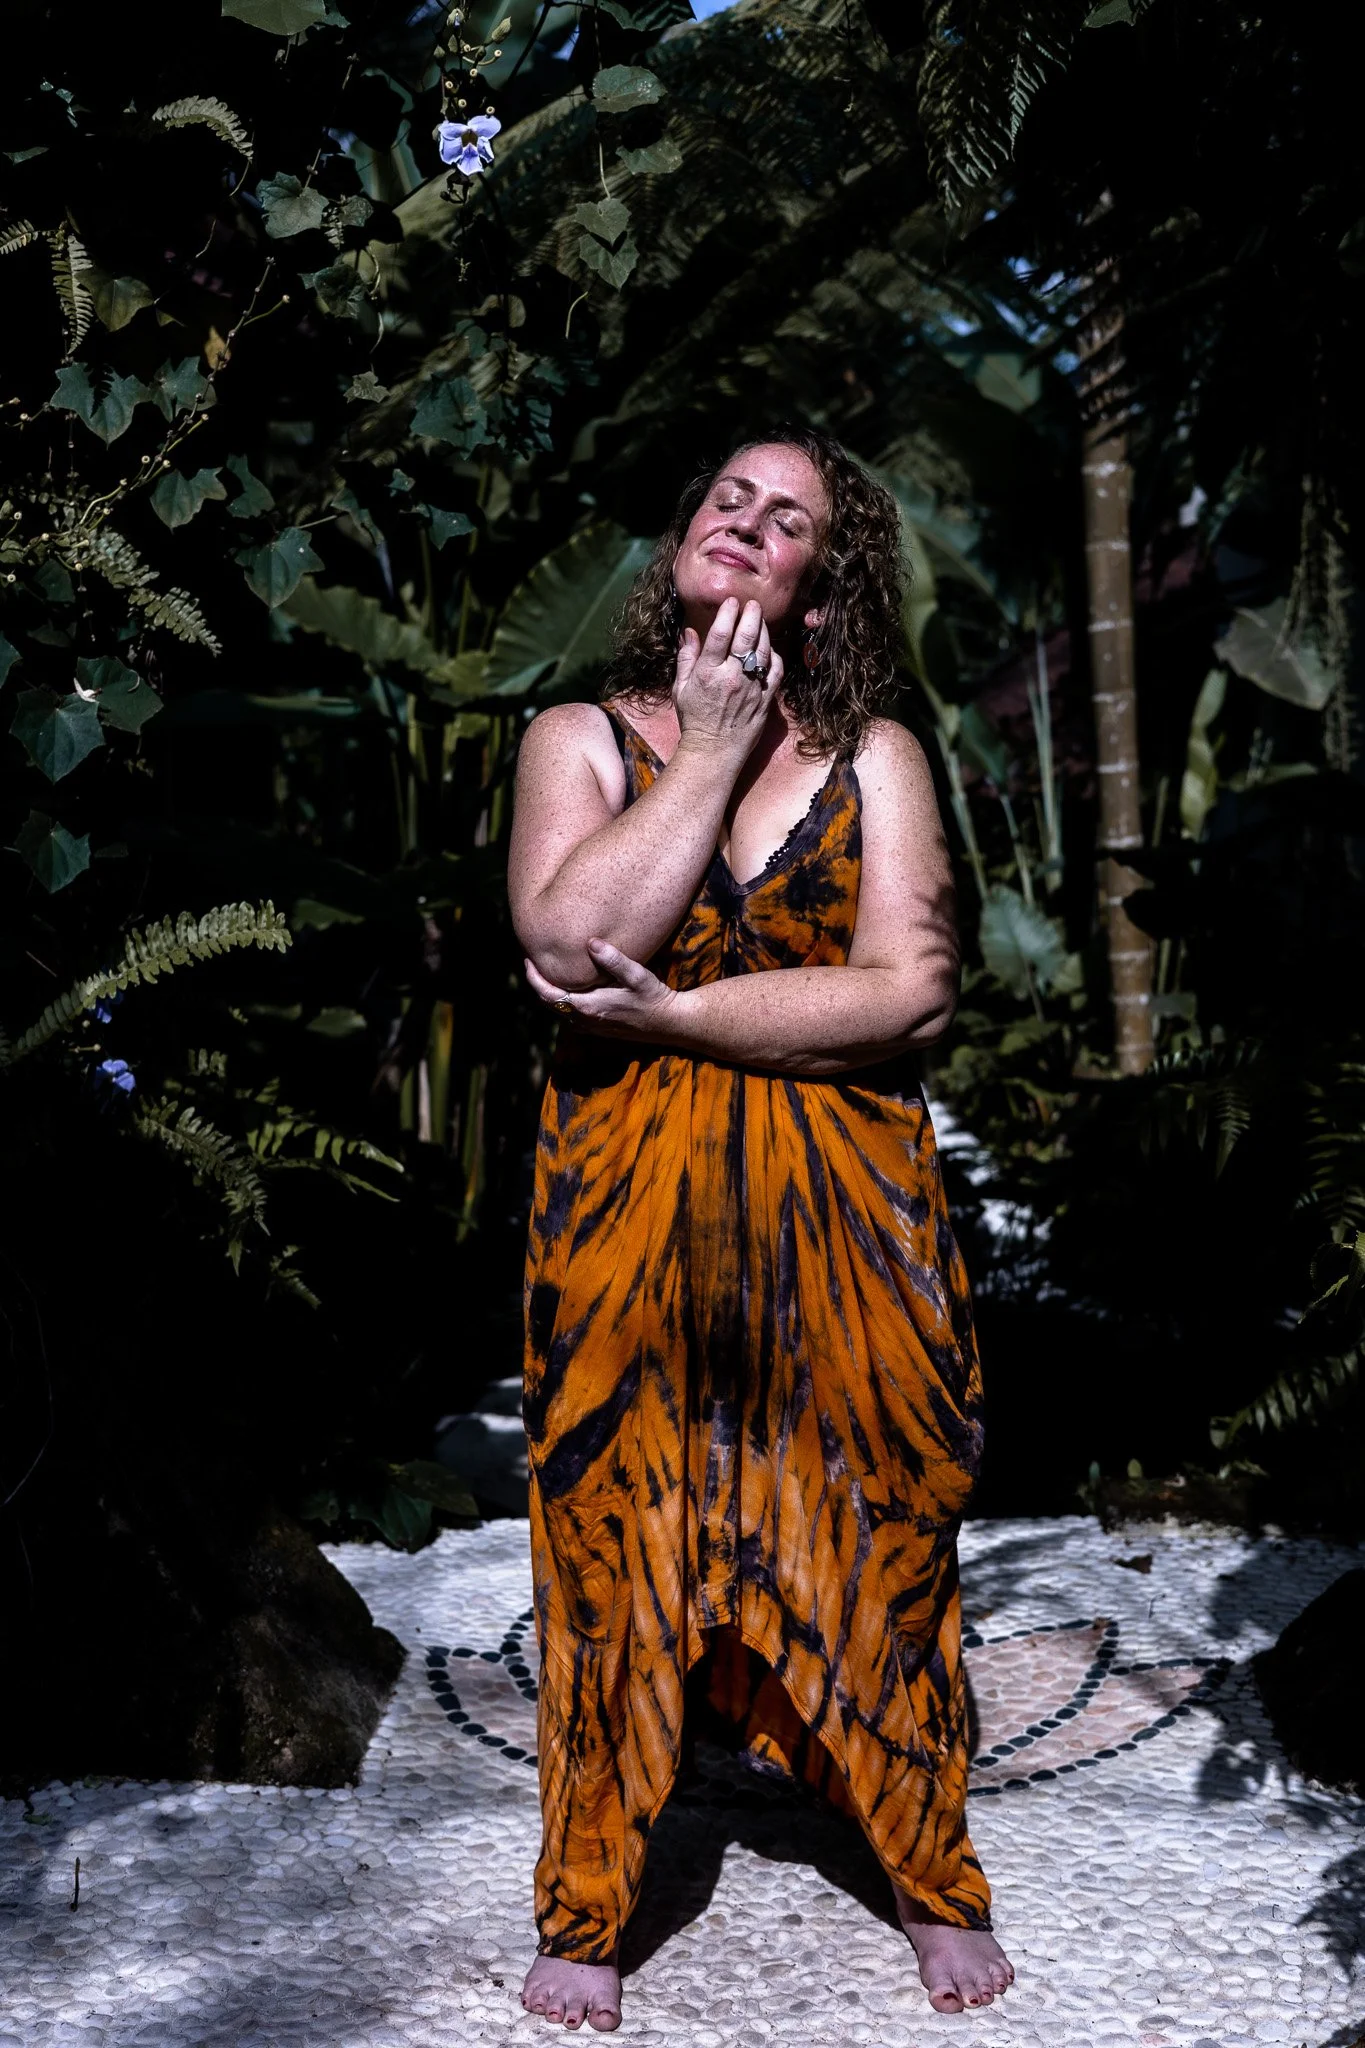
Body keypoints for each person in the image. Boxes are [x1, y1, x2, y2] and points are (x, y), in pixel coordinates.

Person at [508, 426, 1013, 2032]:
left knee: (878, 1520)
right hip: (626, 1230)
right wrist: (713, 753)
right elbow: (574, 936)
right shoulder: (576, 736)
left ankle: (928, 1870)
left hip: (847, 1235)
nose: (745, 520)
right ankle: (591, 1895)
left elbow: (912, 991)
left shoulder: (878, 755)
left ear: (825, 576)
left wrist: (687, 1018)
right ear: (685, 537)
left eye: (786, 517)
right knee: (614, 1533)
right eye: (726, 495)